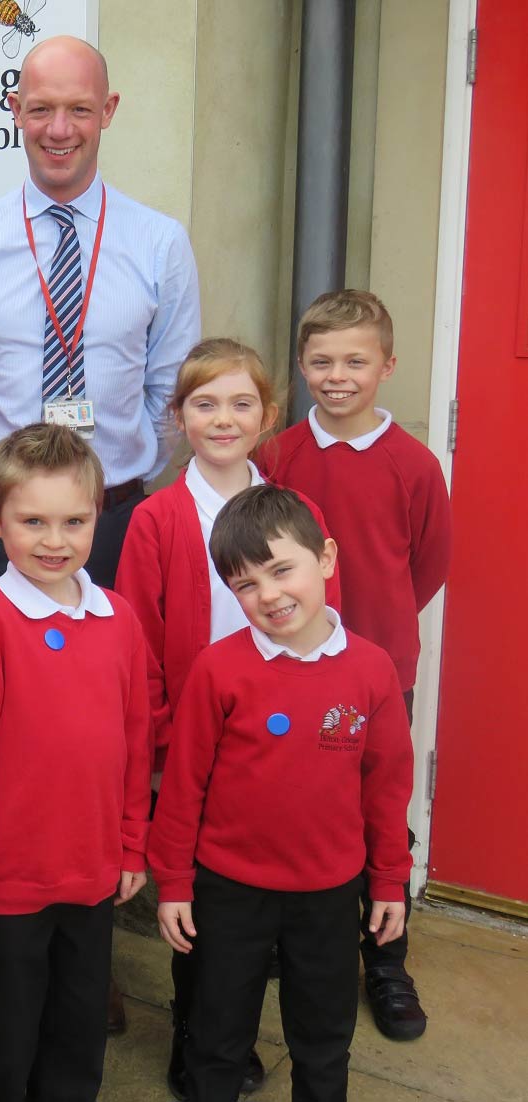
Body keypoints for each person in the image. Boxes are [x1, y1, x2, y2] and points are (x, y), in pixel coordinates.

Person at [117, 338, 342, 1098]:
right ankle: (200, 1031)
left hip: (277, 738)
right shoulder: (157, 517)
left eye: (241, 403)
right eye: (204, 404)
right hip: (194, 738)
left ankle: (241, 1022)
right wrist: (157, 735)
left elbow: (318, 616)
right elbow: (138, 640)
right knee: (205, 900)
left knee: (261, 895)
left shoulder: (296, 510)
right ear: (178, 418)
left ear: (268, 415)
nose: (224, 419)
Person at [150, 484, 414, 1101]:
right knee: (215, 1040)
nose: (267, 595)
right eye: (245, 585)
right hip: (228, 891)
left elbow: (386, 788)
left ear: (325, 558)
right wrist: (174, 882)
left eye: (281, 570)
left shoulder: (371, 669)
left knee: (323, 1041)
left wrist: (387, 880)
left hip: (327, 893)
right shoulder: (219, 669)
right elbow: (185, 784)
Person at [0, 35, 201, 596]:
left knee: (105, 679)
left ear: (108, 111)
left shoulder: (160, 243)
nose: (59, 129)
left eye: (79, 108)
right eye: (41, 109)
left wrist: (122, 470)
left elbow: (173, 386)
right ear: (15, 110)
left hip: (112, 521)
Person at [0, 423, 152, 1102]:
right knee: (9, 1026)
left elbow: (134, 740)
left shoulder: (118, 618)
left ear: (97, 519)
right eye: (33, 521)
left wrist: (131, 846)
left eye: (73, 521)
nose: (54, 540)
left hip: (92, 868)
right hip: (9, 873)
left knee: (80, 1020)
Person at [261, 290, 450, 1040]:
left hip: (378, 667)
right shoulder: (277, 454)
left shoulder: (414, 463)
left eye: (355, 362)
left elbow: (429, 564)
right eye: (321, 361)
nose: (337, 376)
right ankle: (287, 932)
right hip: (288, 662)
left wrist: (377, 635)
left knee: (380, 806)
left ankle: (387, 957)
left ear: (387, 366)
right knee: (288, 790)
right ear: (302, 366)